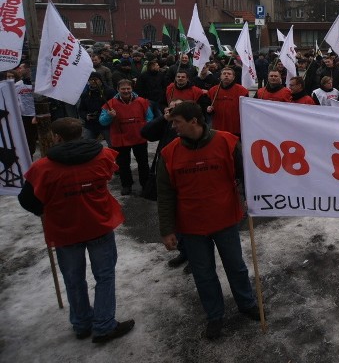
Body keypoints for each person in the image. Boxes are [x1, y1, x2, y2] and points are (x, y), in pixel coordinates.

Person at [18, 118, 135, 343]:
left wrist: (45, 209)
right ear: (80, 134)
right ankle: (103, 325)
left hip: (65, 228)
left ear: (57, 137)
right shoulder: (104, 156)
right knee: (105, 275)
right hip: (98, 223)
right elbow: (109, 175)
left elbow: (27, 200)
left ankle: (82, 323)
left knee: (73, 278)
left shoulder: (43, 167)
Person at [157, 102, 260, 340]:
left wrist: (254, 200)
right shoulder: (169, 152)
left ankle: (246, 304)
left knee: (236, 267)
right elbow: (165, 195)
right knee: (203, 274)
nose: (173, 127)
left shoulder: (227, 142)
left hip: (225, 220)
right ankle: (214, 315)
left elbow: (247, 175)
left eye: (177, 122)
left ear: (194, 121)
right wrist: (167, 229)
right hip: (191, 226)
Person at [99, 79, 153, 195]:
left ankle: (145, 184)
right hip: (120, 139)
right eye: (123, 89)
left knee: (143, 163)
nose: (126, 91)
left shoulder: (142, 101)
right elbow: (102, 122)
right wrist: (109, 116)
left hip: (139, 137)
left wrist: (145, 129)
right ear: (118, 90)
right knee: (123, 164)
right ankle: (126, 185)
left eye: (128, 88)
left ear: (132, 89)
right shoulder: (110, 104)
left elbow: (149, 118)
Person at [207, 67, 249, 137]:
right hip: (218, 127)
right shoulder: (213, 90)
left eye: (229, 74)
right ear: (220, 76)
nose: (226, 75)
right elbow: (207, 106)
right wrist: (208, 109)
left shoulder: (242, 91)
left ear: (233, 77)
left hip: (235, 128)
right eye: (224, 74)